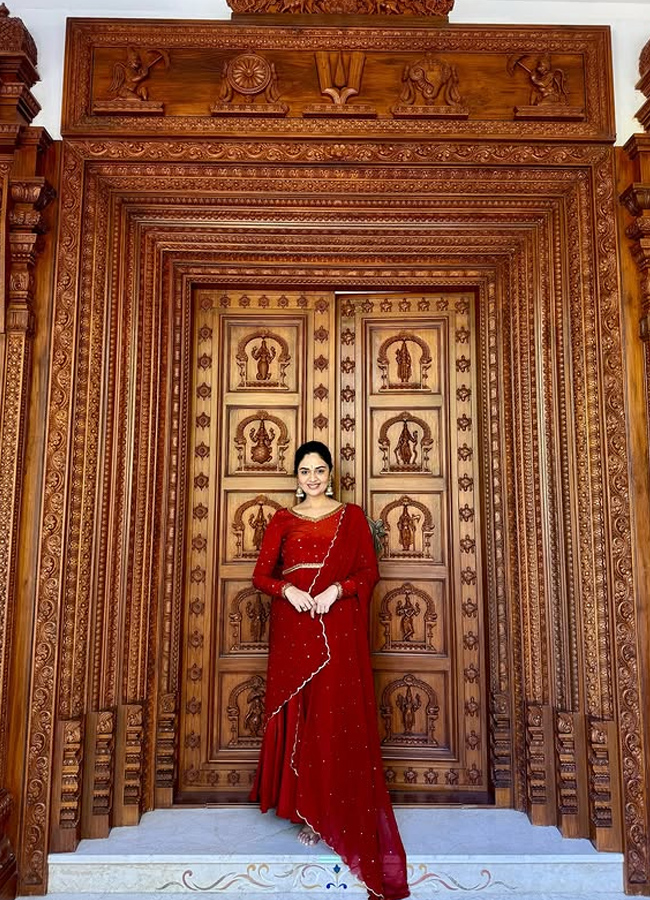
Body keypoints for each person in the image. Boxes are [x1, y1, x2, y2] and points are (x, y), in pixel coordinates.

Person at [249, 441, 410, 900]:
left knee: (330, 716)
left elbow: (369, 572)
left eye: (320, 470)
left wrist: (337, 590)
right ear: (296, 476)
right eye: (305, 471)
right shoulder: (282, 520)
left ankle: (330, 811)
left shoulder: (351, 517)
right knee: (300, 714)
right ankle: (304, 808)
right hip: (294, 626)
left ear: (331, 474)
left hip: (335, 626)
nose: (313, 478)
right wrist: (287, 592)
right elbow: (261, 575)